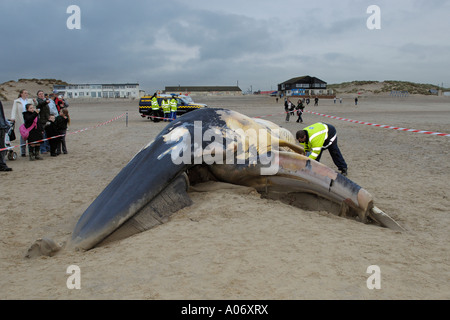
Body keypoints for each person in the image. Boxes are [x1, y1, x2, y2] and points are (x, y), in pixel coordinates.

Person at [10, 89, 34, 157]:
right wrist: (13, 118)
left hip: (29, 119)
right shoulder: (17, 101)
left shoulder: (29, 100)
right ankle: (23, 152)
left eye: (27, 93)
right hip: (21, 120)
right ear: (21, 94)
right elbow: (14, 110)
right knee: (23, 136)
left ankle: (31, 151)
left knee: (30, 135)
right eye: (25, 93)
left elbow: (34, 107)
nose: (26, 94)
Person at [36, 90, 51, 154]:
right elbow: (39, 105)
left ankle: (47, 148)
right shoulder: (38, 101)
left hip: (47, 119)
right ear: (38, 95)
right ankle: (43, 149)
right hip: (41, 121)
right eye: (40, 94)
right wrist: (46, 102)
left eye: (42, 94)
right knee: (43, 135)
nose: (41, 95)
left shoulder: (45, 101)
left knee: (47, 134)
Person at [0, 100, 13, 171]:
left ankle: (2, 164)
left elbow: (2, 114)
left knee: (2, 147)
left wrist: (5, 124)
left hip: (1, 127)